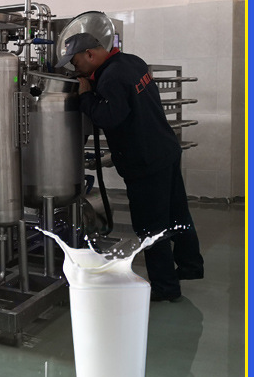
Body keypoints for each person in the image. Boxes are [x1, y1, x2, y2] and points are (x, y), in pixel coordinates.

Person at [56, 31, 204, 302]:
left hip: (145, 162)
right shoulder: (132, 62)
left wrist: (86, 96)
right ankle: (190, 265)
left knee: (150, 227)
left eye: (75, 62)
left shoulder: (111, 77)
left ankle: (166, 287)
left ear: (90, 54)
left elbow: (108, 117)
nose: (75, 69)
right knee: (177, 213)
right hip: (165, 150)